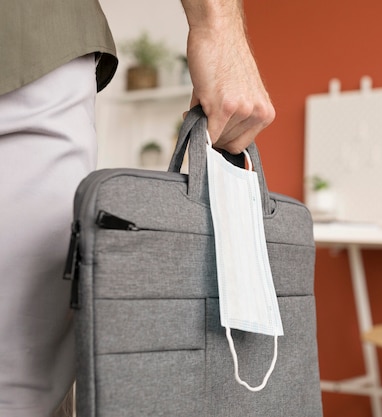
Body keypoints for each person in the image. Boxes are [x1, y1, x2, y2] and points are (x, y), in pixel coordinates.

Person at [0, 0, 275, 416]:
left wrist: (219, 29)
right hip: (29, 48)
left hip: (25, 44)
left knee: (16, 383)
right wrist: (218, 28)